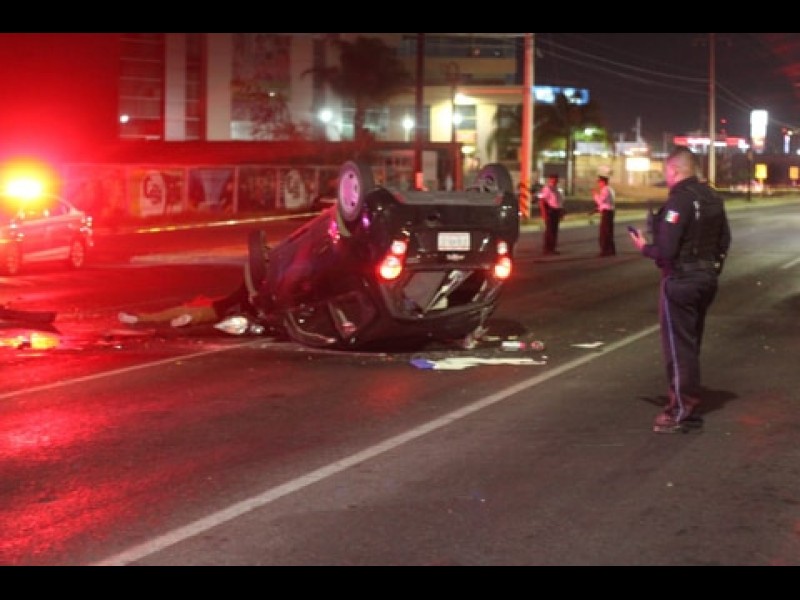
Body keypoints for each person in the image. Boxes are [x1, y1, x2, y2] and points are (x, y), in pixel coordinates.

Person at [628, 145, 731, 434]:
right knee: (690, 344)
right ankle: (686, 401)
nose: (667, 177)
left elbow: (667, 252)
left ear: (674, 170)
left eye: (667, 172)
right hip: (706, 279)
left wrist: (644, 247)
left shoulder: (679, 202)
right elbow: (724, 240)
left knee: (678, 348)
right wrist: (711, 269)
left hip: (681, 281)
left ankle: (681, 412)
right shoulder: (712, 197)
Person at [537, 173, 565, 255]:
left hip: (556, 211)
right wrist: (544, 213)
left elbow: (559, 202)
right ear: (550, 179)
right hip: (550, 211)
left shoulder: (557, 189)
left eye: (556, 179)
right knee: (550, 231)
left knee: (554, 231)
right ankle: (547, 249)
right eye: (553, 179)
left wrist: (561, 211)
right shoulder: (547, 189)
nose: (555, 180)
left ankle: (552, 248)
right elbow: (542, 201)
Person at [592, 175, 616, 256]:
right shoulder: (611, 189)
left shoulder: (605, 190)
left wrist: (595, 195)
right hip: (609, 211)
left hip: (607, 213)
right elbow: (607, 203)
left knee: (604, 233)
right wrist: (597, 209)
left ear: (603, 182)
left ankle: (605, 250)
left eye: (599, 182)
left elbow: (600, 201)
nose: (598, 184)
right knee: (609, 232)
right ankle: (611, 249)